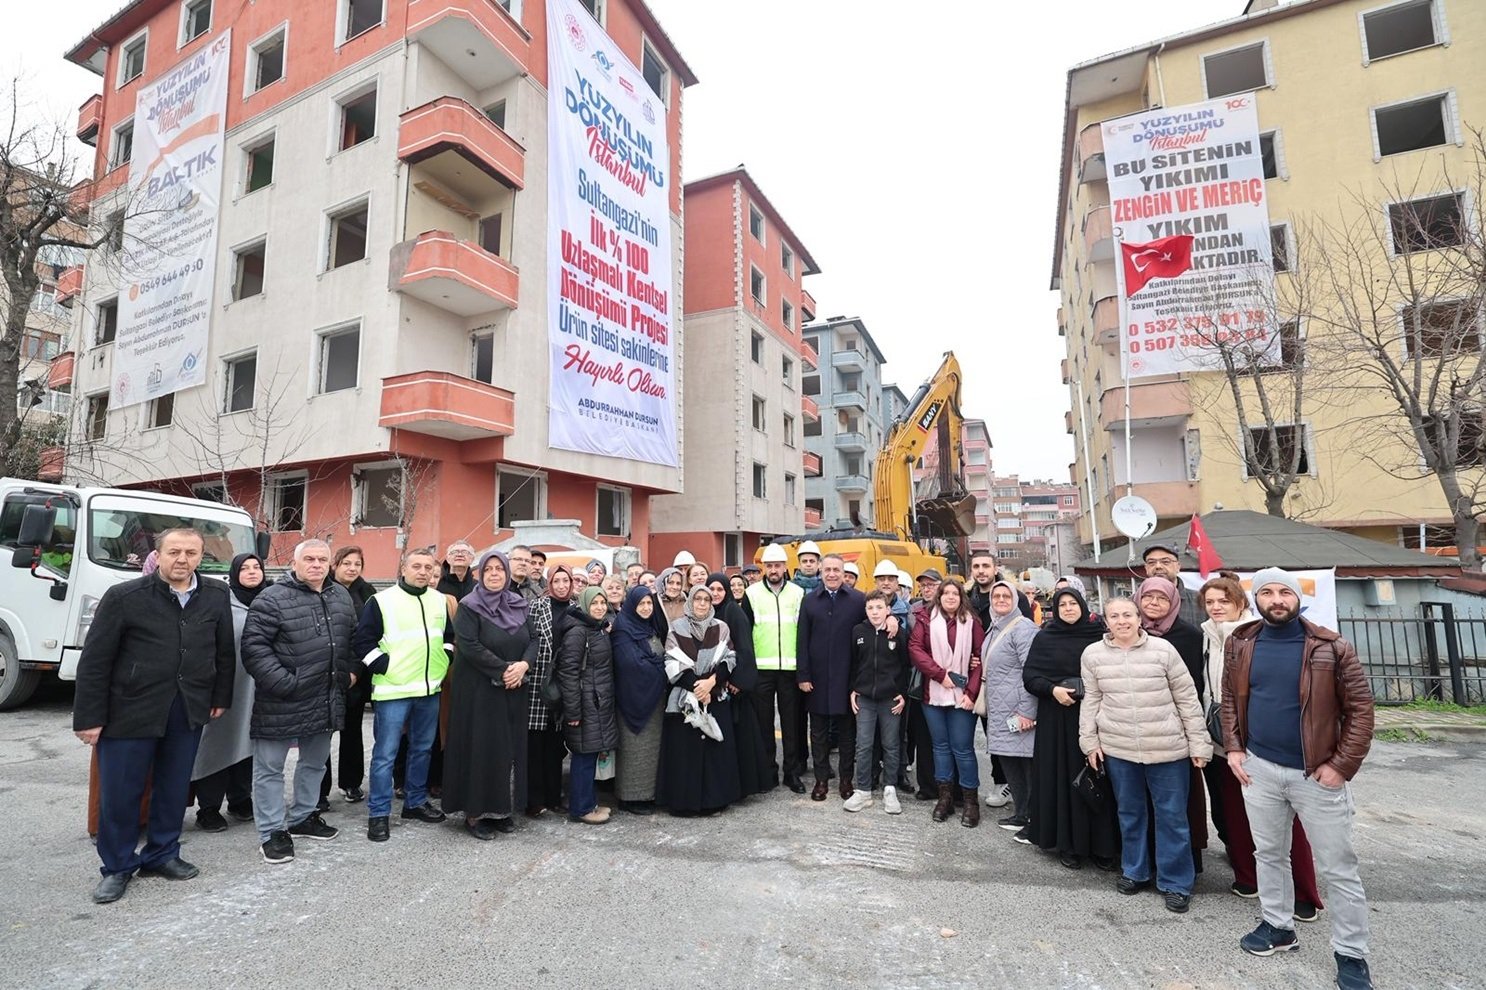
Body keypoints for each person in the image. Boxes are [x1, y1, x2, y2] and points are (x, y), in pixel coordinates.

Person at [1221, 569, 1375, 990]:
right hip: (1260, 770)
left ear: (1297, 597)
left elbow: (1361, 711)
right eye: (1266, 592)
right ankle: (1278, 926)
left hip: (1316, 775)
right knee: (1269, 854)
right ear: (1256, 599)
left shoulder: (1331, 646)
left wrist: (1341, 766)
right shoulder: (1242, 641)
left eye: (1283, 591)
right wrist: (1234, 748)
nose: (1275, 599)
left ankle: (1351, 953)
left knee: (1338, 868)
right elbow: (1229, 700)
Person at [74, 528, 235, 903]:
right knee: (120, 793)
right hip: (129, 709)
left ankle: (162, 853)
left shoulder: (215, 594)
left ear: (201, 556)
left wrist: (219, 696)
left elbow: (223, 650)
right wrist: (88, 717)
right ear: (158, 556)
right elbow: (96, 661)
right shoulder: (124, 597)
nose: (183, 559)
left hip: (187, 707)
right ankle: (116, 866)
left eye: (191, 553)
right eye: (175, 552)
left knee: (174, 788)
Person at [1200, 573, 1325, 919]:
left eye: (1224, 601)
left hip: (1260, 743)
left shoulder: (1253, 636)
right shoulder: (1206, 636)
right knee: (1233, 813)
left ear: (1242, 603)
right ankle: (1247, 877)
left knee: (1285, 823)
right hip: (1221, 741)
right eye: (1210, 602)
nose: (1216, 607)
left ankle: (1302, 892)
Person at [1080, 598, 1212, 914]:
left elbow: (1187, 699)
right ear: (1106, 621)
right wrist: (1089, 742)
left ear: (1139, 618)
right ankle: (1135, 871)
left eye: (1128, 614)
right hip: (1119, 748)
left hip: (1167, 748)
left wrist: (1199, 744)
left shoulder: (1163, 651)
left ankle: (1176, 882)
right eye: (1115, 616)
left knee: (1172, 817)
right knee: (1130, 813)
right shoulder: (1093, 655)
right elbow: (1091, 700)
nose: (1122, 621)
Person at [241, 539, 358, 863]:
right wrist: (285, 683)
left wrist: (351, 673)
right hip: (282, 700)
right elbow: (254, 648)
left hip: (325, 697)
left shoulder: (341, 597)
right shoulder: (272, 598)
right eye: (309, 559)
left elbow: (351, 640)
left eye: (322, 559)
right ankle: (272, 832)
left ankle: (303, 817)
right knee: (269, 768)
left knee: (314, 762)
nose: (317, 564)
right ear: (295, 563)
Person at [351, 547, 452, 843]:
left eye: (428, 567)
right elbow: (363, 642)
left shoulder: (438, 601)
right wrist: (384, 665)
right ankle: (379, 813)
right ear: (404, 569)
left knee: (422, 749)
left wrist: (446, 659)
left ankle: (415, 802)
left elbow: (448, 637)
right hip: (393, 690)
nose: (423, 571)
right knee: (385, 755)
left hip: (428, 689)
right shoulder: (381, 601)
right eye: (416, 566)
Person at [1023, 587, 1118, 870]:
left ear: (1082, 604)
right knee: (1064, 781)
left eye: (1072, 603)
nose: (1067, 608)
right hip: (1057, 720)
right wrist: (1052, 690)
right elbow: (1030, 676)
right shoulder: (1045, 636)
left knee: (1099, 779)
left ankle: (1103, 846)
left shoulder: (1100, 636)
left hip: (1098, 717)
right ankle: (1069, 844)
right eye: (1062, 604)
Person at [446, 550, 536, 839]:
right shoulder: (469, 606)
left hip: (514, 689)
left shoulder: (520, 604)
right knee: (481, 749)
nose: (495, 574)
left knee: (507, 750)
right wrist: (504, 670)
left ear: (508, 574)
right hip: (479, 691)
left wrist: (523, 665)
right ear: (480, 574)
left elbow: (534, 639)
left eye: (500, 569)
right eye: (489, 570)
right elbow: (469, 646)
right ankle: (475, 814)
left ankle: (500, 810)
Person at [1138, 575, 1211, 874]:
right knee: (1138, 802)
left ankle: (1183, 866)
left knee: (1177, 804)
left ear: (1174, 603)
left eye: (1162, 599)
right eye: (1148, 598)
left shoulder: (1189, 636)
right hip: (1134, 731)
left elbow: (1193, 688)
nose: (1154, 604)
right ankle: (1145, 862)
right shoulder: (1129, 631)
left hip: (1173, 732)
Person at [192, 553, 266, 832]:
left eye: (256, 567)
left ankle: (240, 799)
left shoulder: (269, 600)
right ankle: (208, 807)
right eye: (244, 568)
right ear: (235, 573)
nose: (251, 572)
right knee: (216, 743)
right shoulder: (222, 602)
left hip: (259, 687)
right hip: (225, 687)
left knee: (250, 744)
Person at [657, 584, 742, 815]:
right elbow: (671, 661)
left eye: (707, 599)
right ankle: (685, 804)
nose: (703, 603)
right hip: (685, 698)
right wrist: (697, 687)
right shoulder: (677, 627)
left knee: (714, 754)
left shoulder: (721, 628)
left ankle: (713, 801)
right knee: (686, 755)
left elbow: (730, 658)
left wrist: (711, 683)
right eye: (698, 599)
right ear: (690, 602)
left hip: (715, 695)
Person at [909, 579, 985, 826]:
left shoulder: (972, 622)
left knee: (962, 748)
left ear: (961, 597)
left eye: (955, 593)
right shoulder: (925, 619)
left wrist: (971, 693)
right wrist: (940, 675)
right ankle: (945, 798)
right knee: (940, 747)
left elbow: (980, 657)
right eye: (946, 593)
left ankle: (971, 802)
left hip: (963, 696)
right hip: (933, 693)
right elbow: (916, 649)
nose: (950, 597)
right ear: (939, 596)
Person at [798, 554, 868, 802]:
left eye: (836, 570)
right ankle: (820, 781)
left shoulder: (858, 600)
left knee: (848, 733)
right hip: (816, 679)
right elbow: (802, 640)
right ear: (820, 571)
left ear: (843, 572)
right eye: (827, 569)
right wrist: (803, 675)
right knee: (818, 733)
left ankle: (846, 781)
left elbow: (869, 632)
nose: (831, 574)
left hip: (847, 678)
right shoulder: (809, 602)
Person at [741, 544, 807, 793]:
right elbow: (746, 634)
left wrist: (803, 669)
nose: (773, 570)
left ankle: (791, 773)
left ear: (785, 567)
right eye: (769, 566)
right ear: (763, 568)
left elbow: (804, 633)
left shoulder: (798, 593)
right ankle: (768, 772)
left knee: (791, 725)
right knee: (763, 724)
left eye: (777, 565)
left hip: (790, 670)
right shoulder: (752, 594)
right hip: (762, 669)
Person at [979, 580, 1041, 838]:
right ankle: (1021, 812)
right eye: (997, 596)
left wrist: (1028, 711)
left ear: (1016, 601)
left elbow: (1032, 669)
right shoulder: (994, 627)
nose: (1001, 600)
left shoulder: (1023, 628)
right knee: (1010, 762)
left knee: (1026, 765)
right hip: (1000, 709)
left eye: (1007, 596)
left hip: (1018, 708)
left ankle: (1035, 821)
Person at [843, 590, 910, 814]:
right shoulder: (858, 632)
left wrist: (902, 692)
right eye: (870, 608)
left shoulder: (897, 633)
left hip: (890, 699)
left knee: (891, 745)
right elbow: (853, 663)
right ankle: (863, 791)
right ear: (865, 610)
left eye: (879, 607)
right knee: (863, 745)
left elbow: (905, 665)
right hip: (865, 698)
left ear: (888, 610)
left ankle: (890, 788)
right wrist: (853, 689)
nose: (875, 612)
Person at [558, 587, 619, 824]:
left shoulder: (597, 629)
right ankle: (581, 809)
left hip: (598, 701)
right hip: (585, 703)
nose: (600, 607)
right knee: (583, 756)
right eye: (594, 603)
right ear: (584, 604)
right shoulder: (577, 632)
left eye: (603, 602)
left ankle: (589, 802)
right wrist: (573, 711)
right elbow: (568, 673)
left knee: (590, 754)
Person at [320, 546, 375, 806]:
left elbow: (371, 634)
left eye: (357, 564)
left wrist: (356, 670)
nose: (352, 568)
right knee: (322, 733)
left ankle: (351, 783)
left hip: (356, 673)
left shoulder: (368, 593)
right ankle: (319, 791)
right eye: (346, 563)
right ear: (335, 565)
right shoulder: (321, 588)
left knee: (352, 731)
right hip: (325, 672)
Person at [707, 573, 770, 798]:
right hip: (716, 684)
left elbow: (744, 647)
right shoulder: (708, 611)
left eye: (719, 590)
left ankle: (745, 786)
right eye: (711, 589)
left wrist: (738, 681)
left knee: (742, 737)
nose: (715, 593)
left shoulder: (733, 611)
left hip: (734, 686)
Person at [611, 586, 670, 815]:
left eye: (649, 604)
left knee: (651, 750)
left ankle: (649, 794)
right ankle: (630, 797)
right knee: (634, 750)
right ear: (631, 606)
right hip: (634, 698)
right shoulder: (622, 629)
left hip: (654, 699)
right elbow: (632, 664)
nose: (646, 608)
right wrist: (663, 667)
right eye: (641, 604)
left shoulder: (648, 627)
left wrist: (658, 664)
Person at [524, 564, 572, 817]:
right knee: (534, 744)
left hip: (564, 684)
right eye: (557, 581)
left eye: (566, 581)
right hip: (537, 683)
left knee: (556, 745)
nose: (562, 585)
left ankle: (555, 796)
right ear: (549, 583)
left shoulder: (577, 609)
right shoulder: (536, 606)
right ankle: (534, 800)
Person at [1141, 542, 1204, 627]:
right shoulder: (1133, 603)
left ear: (1178, 566)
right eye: (1152, 562)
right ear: (1146, 568)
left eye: (1165, 562)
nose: (1158, 566)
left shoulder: (1200, 600)